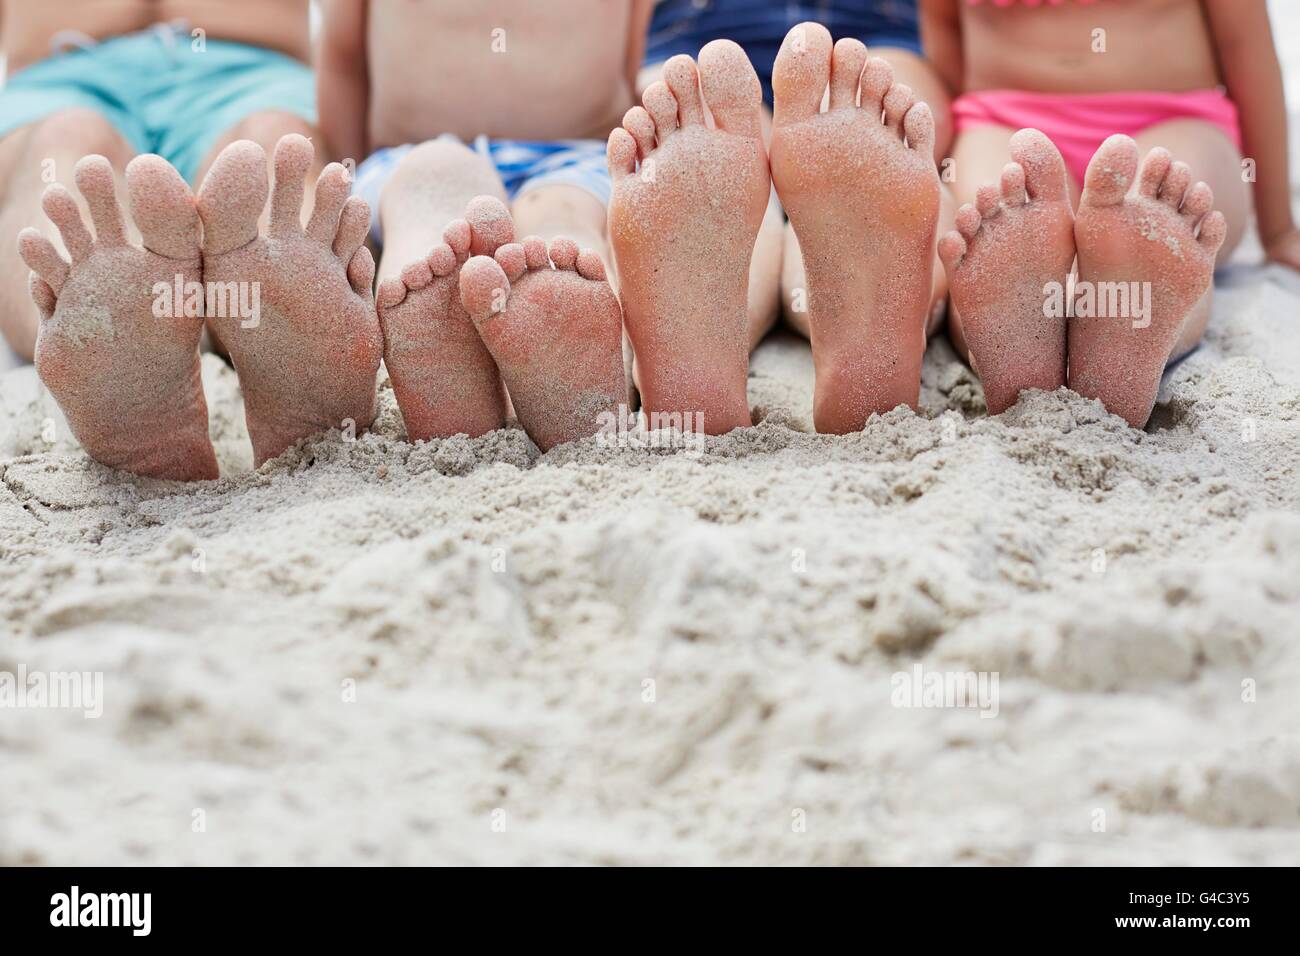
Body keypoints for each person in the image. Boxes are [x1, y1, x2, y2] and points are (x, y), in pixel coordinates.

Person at [924, 0, 1295, 427]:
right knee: (988, 241)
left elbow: (1246, 49)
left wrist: (1279, 227)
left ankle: (1129, 343)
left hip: (1176, 119)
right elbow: (946, 34)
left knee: (1170, 228)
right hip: (1004, 123)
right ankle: (1011, 342)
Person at [0, 0, 320, 362]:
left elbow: (354, 36)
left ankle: (289, 325)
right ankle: (104, 339)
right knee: (63, 146)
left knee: (268, 145)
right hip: (59, 77)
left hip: (254, 74)